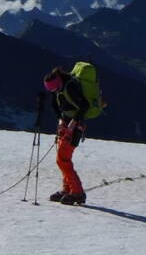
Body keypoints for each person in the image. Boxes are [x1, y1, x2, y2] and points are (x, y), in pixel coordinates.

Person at [42, 65, 105, 205]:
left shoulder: (70, 87)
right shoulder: (60, 87)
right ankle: (68, 190)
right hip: (66, 124)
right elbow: (57, 106)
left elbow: (85, 106)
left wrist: (73, 123)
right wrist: (61, 121)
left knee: (62, 159)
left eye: (54, 89)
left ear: (57, 83)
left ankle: (77, 192)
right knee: (64, 158)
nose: (53, 92)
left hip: (74, 127)